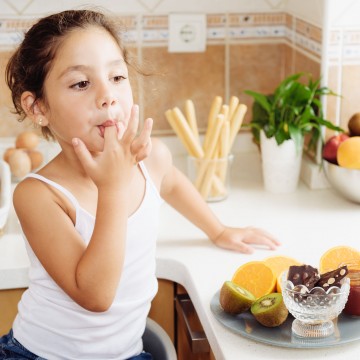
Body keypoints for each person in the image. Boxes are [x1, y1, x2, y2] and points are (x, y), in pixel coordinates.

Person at [0, 9, 280, 360]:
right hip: (39, 354)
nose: (107, 96)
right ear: (38, 106)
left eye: (117, 77)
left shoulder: (151, 159)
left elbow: (173, 184)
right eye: (81, 84)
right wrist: (113, 188)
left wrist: (218, 230)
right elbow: (95, 296)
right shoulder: (38, 195)